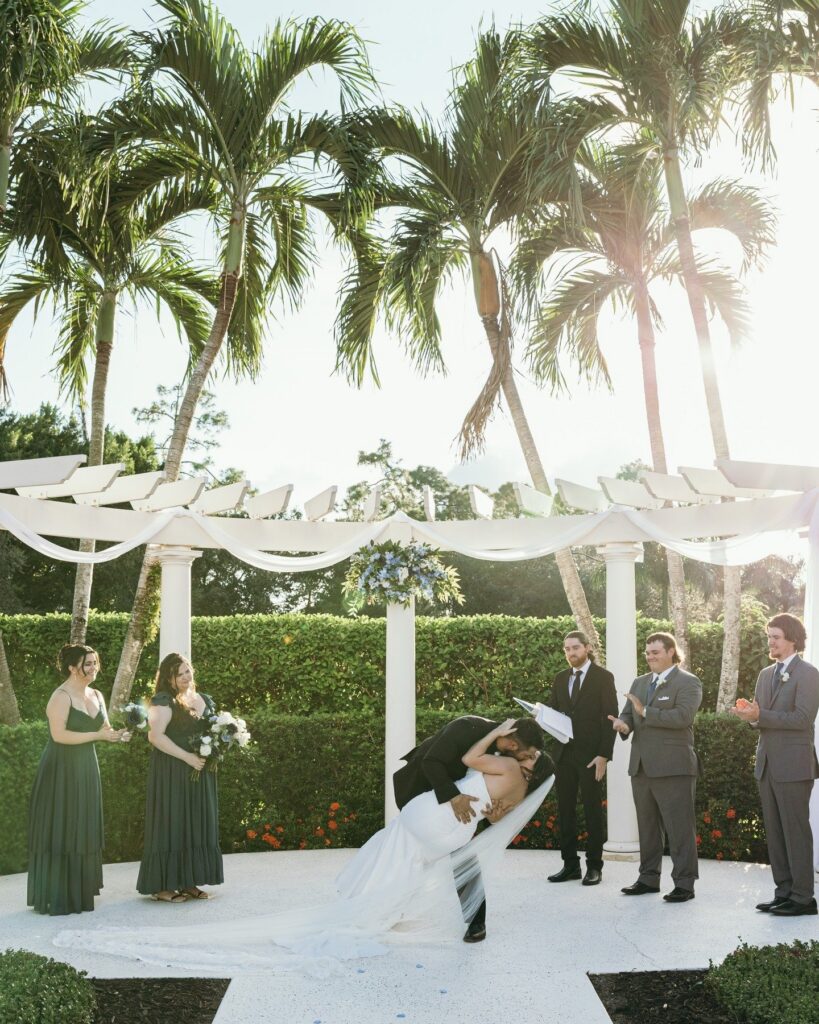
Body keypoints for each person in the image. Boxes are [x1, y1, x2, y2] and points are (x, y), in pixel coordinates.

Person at [56, 719, 555, 970]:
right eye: (524, 748)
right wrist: (464, 812)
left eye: (527, 754)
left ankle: (367, 908)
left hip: (440, 812)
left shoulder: (490, 746)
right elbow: (430, 766)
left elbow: (467, 764)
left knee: (396, 847)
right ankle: (381, 911)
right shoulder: (492, 753)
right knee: (411, 855)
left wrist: (458, 802)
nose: (523, 755)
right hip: (442, 806)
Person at [393, 714, 547, 942]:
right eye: (526, 755)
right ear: (514, 745)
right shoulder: (467, 728)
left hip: (458, 810)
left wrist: (493, 817)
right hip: (421, 789)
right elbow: (431, 762)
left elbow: (484, 789)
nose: (526, 761)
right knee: (409, 855)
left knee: (464, 856)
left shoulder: (507, 756)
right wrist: (453, 797)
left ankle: (477, 922)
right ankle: (390, 908)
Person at [730, 613, 819, 917]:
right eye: (769, 636)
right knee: (776, 833)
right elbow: (761, 718)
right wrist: (751, 716)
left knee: (795, 832)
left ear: (793, 639)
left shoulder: (809, 673)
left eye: (776, 637)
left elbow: (802, 719)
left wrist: (761, 716)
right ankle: (784, 892)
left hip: (794, 766)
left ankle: (804, 898)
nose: (770, 642)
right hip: (767, 764)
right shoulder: (765, 674)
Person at [28, 644, 126, 915]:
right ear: (72, 667)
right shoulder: (60, 697)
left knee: (82, 823)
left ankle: (80, 889)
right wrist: (99, 736)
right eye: (88, 664)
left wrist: (119, 734)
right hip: (60, 769)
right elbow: (59, 736)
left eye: (95, 662)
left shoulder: (97, 694)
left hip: (86, 768)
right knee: (63, 825)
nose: (94, 668)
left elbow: (104, 729)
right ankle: (56, 894)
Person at [609, 632, 702, 903]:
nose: (649, 657)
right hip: (641, 767)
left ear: (671, 652)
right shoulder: (639, 682)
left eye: (655, 652)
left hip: (674, 768)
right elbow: (629, 713)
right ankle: (648, 879)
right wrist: (623, 725)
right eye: (647, 653)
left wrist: (646, 712)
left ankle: (685, 884)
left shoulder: (688, 682)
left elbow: (683, 717)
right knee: (647, 826)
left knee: (680, 827)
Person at [136, 652, 223, 903]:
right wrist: (186, 757)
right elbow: (155, 736)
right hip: (172, 771)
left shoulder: (202, 699)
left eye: (188, 671)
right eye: (179, 673)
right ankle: (161, 886)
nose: (186, 676)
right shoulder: (163, 701)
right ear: (169, 678)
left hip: (200, 771)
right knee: (171, 822)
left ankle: (188, 881)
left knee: (194, 823)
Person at [547, 631, 617, 887]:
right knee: (565, 811)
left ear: (587, 648)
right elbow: (555, 711)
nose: (570, 653)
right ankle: (570, 865)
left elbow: (610, 717)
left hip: (591, 757)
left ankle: (594, 867)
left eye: (575, 648)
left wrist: (603, 755)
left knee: (592, 811)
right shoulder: (560, 678)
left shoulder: (603, 677)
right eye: (566, 649)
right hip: (563, 755)